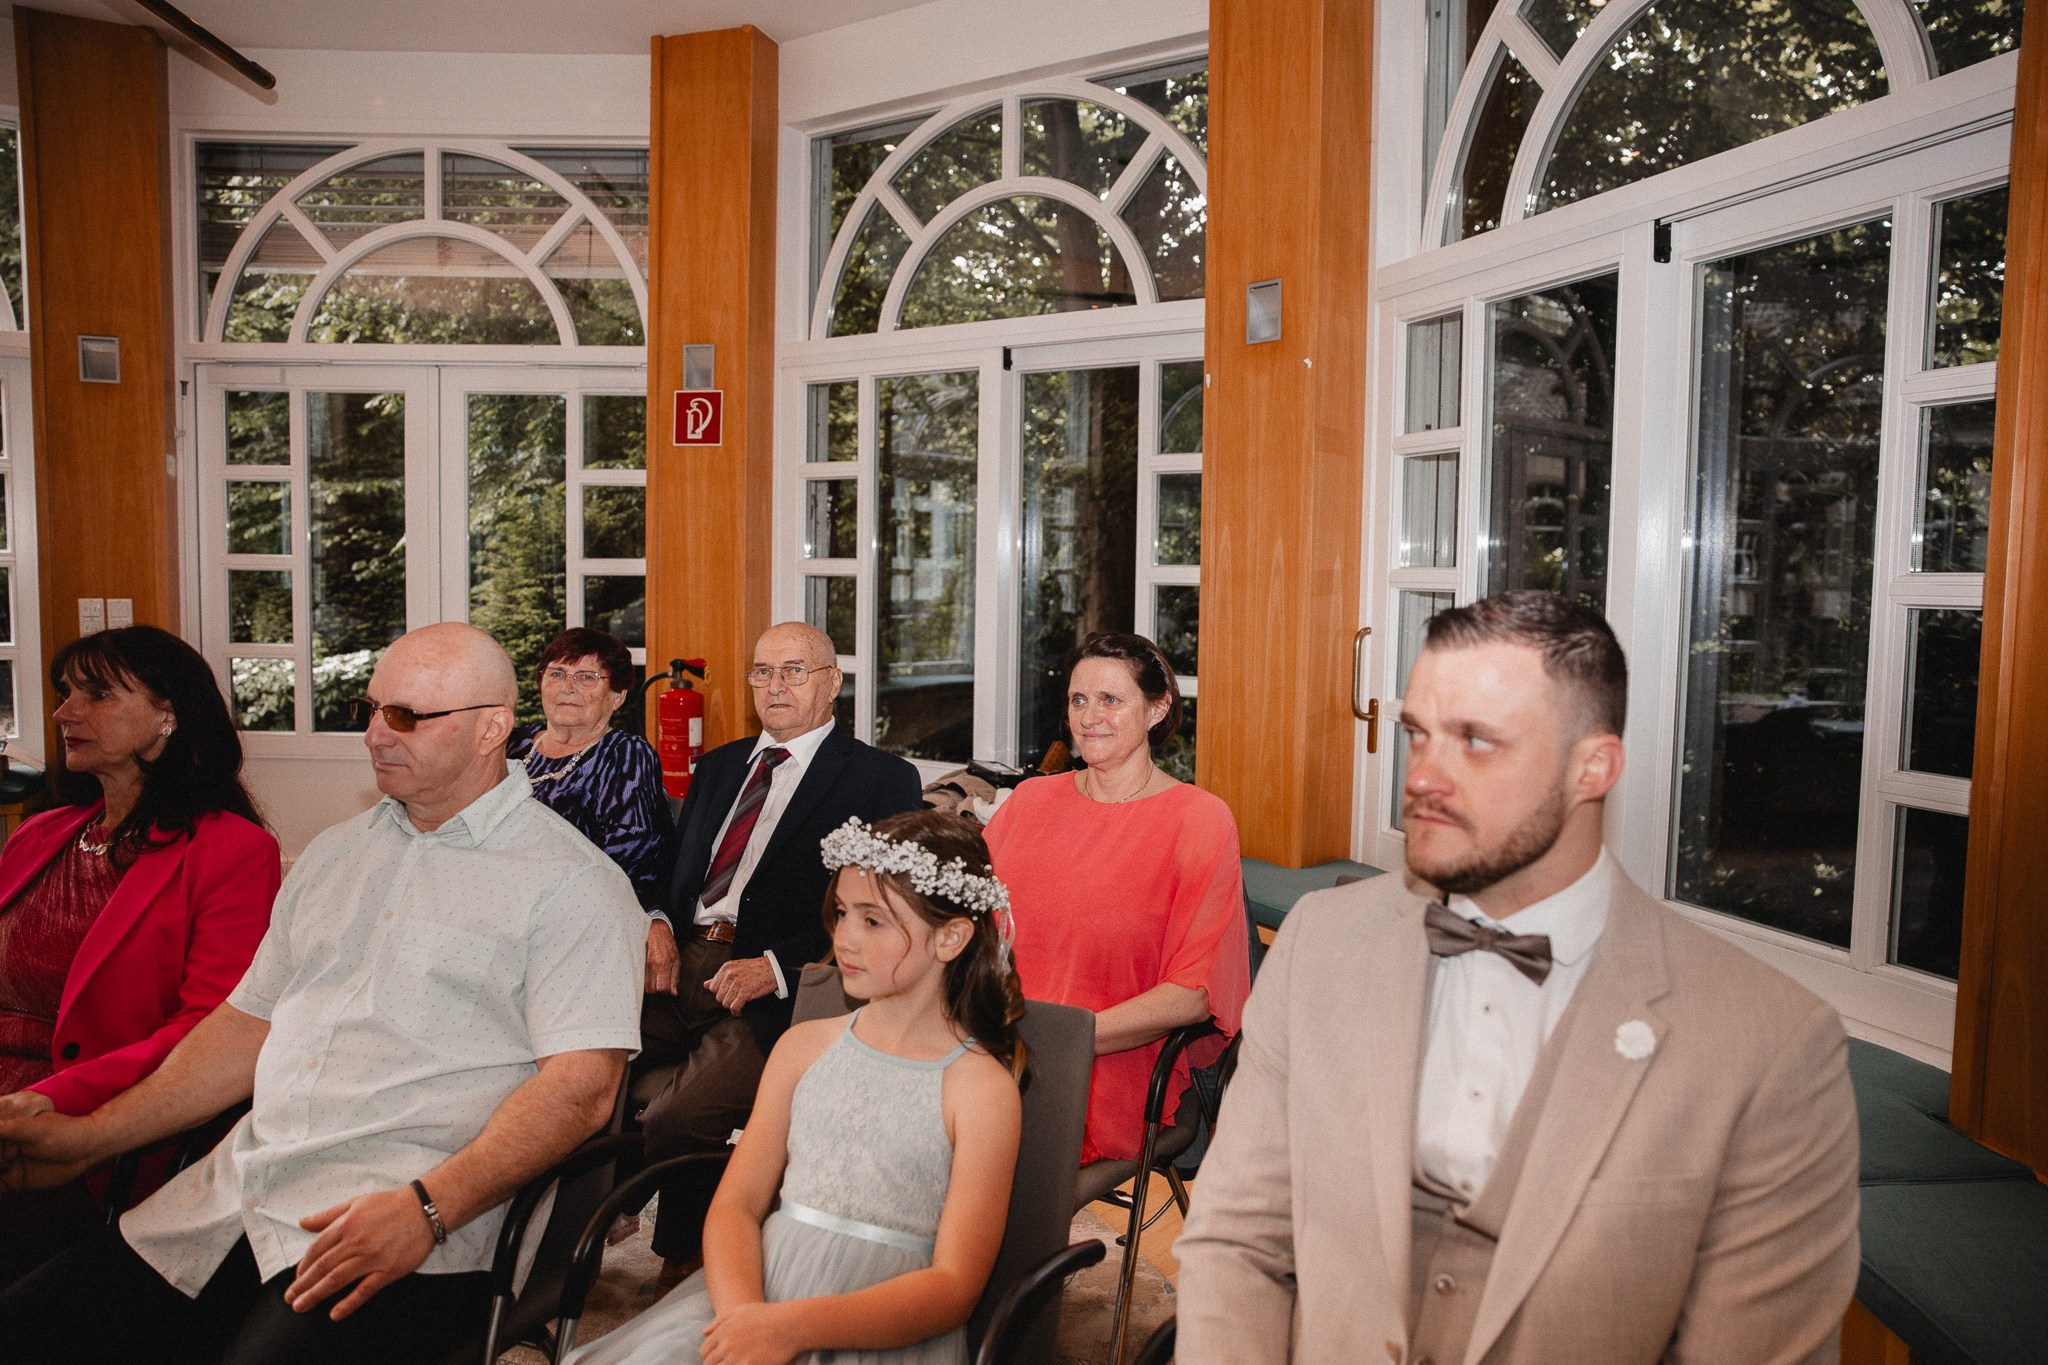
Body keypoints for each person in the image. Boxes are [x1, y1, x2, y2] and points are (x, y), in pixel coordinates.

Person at [1175, 591, 1861, 1364]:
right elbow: (1237, 1241)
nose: (1425, 776)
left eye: (1476, 741)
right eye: (1417, 735)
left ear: (1592, 767)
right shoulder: (1321, 942)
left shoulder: (1769, 1044)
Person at [0, 622, 646, 1365]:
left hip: (404, 1214)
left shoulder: (574, 882)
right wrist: (91, 1135)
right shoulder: (335, 853)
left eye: (406, 716)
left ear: (491, 729)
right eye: (371, 709)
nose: (375, 734)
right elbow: (243, 1029)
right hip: (240, 1188)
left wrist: (428, 1210)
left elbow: (581, 1090)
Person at [568, 809, 1024, 1365]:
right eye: (841, 913)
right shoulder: (802, 1048)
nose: (845, 939)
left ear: (950, 937)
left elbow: (954, 1285)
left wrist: (788, 1331)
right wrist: (743, 1318)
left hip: (881, 1325)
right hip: (759, 1291)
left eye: (873, 921)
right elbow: (736, 1203)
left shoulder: (979, 1088)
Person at [639, 621, 922, 1284]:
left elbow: (884, 911)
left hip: (783, 988)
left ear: (833, 683)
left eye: (794, 670)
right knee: (577, 1067)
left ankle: (688, 1259)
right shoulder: (716, 768)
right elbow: (666, 871)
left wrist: (774, 967)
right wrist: (656, 922)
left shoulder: (880, 780)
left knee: (680, 1116)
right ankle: (574, 1239)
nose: (775, 685)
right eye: (762, 671)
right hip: (680, 964)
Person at [0, 626, 280, 1287]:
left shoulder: (233, 850)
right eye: (66, 693)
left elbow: (210, 1029)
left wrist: (48, 1098)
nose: (66, 712)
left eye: (95, 694)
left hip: (97, 1129)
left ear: (169, 715)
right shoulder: (40, 833)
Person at [983, 631, 1249, 1164]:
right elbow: (969, 926)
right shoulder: (1031, 800)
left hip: (1105, 1061)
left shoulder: (1197, 820)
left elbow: (1193, 994)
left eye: (1111, 699)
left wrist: (1058, 1041)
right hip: (994, 1040)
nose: (1088, 717)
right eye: (1078, 700)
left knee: (970, 1135)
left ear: (1157, 709)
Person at [506, 627, 676, 918]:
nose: (567, 687)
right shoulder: (512, 743)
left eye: (587, 677)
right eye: (556, 674)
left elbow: (626, 860)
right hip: (494, 898)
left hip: (575, 915)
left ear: (618, 696)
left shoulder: (626, 755)